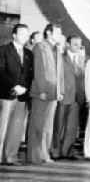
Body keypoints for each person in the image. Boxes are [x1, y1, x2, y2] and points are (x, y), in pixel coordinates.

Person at [28, 23, 64, 164]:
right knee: (38, 125)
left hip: (54, 93)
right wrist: (41, 90)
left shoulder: (56, 49)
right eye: (57, 32)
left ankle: (44, 154)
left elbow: (59, 73)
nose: (60, 35)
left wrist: (60, 90)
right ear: (48, 33)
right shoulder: (40, 46)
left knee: (48, 126)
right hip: (42, 93)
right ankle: (34, 156)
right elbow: (39, 70)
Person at [0, 24, 33, 165]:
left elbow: (30, 74)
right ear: (14, 35)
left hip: (22, 96)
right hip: (6, 94)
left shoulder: (29, 53)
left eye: (27, 34)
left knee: (16, 129)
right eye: (22, 34)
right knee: (2, 127)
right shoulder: (3, 50)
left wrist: (24, 88)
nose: (25, 37)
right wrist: (14, 86)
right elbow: (0, 71)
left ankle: (11, 157)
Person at [52, 35, 85, 159]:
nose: (78, 46)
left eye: (79, 44)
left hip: (77, 98)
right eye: (75, 44)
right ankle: (55, 150)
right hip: (64, 96)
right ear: (67, 44)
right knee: (59, 125)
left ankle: (67, 151)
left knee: (71, 127)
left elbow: (82, 79)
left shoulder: (82, 59)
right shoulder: (60, 58)